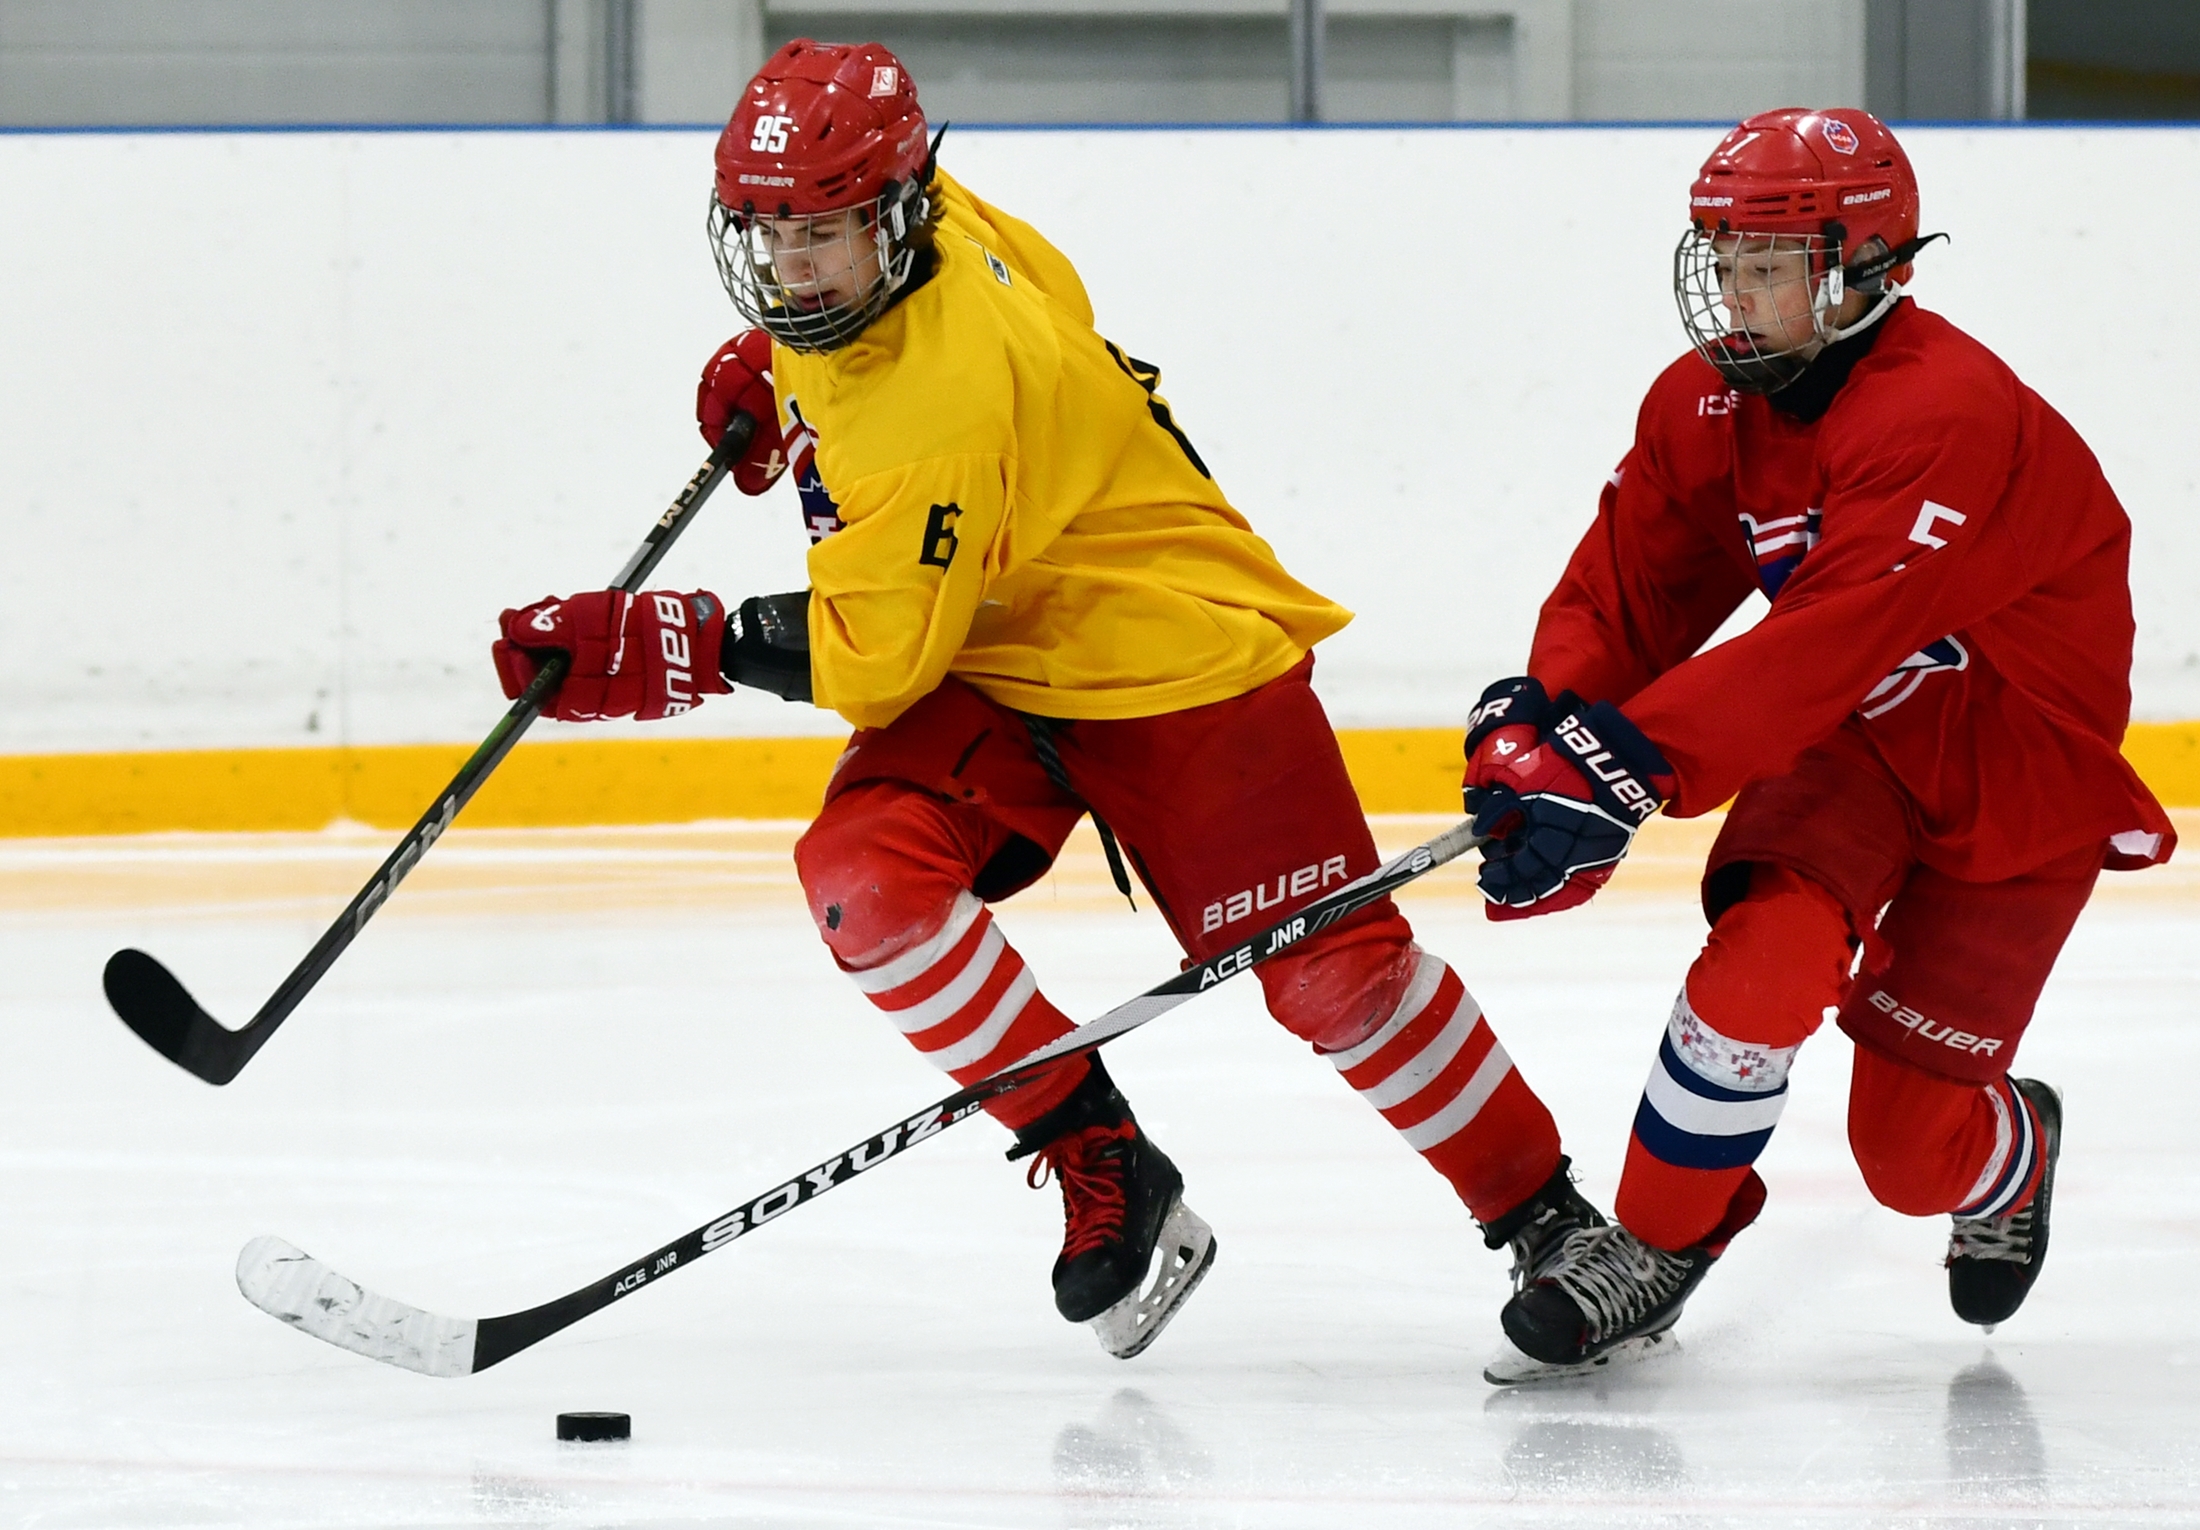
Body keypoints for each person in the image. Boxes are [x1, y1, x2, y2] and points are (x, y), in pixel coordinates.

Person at [489, 38, 1601, 1360]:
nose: (795, 271)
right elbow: (874, 406)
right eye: (771, 239)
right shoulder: (931, 221)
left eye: (826, 240)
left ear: (896, 214)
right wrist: (787, 378)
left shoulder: (938, 399)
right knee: (867, 882)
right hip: (1006, 650)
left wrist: (677, 645)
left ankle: (1556, 1218)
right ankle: (1101, 1152)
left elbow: (872, 660)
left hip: (1177, 657)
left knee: (1334, 983)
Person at [1461, 107, 2176, 1372]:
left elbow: (1837, 631)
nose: (1733, 296)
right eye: (1721, 262)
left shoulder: (1943, 407)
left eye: (1767, 268)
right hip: (1847, 746)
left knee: (1906, 1160)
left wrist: (1626, 765)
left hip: (2014, 771)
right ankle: (1656, 1243)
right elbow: (1631, 588)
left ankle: (2013, 1147)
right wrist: (1544, 720)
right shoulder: (1707, 404)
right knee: (1764, 961)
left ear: (1864, 266)